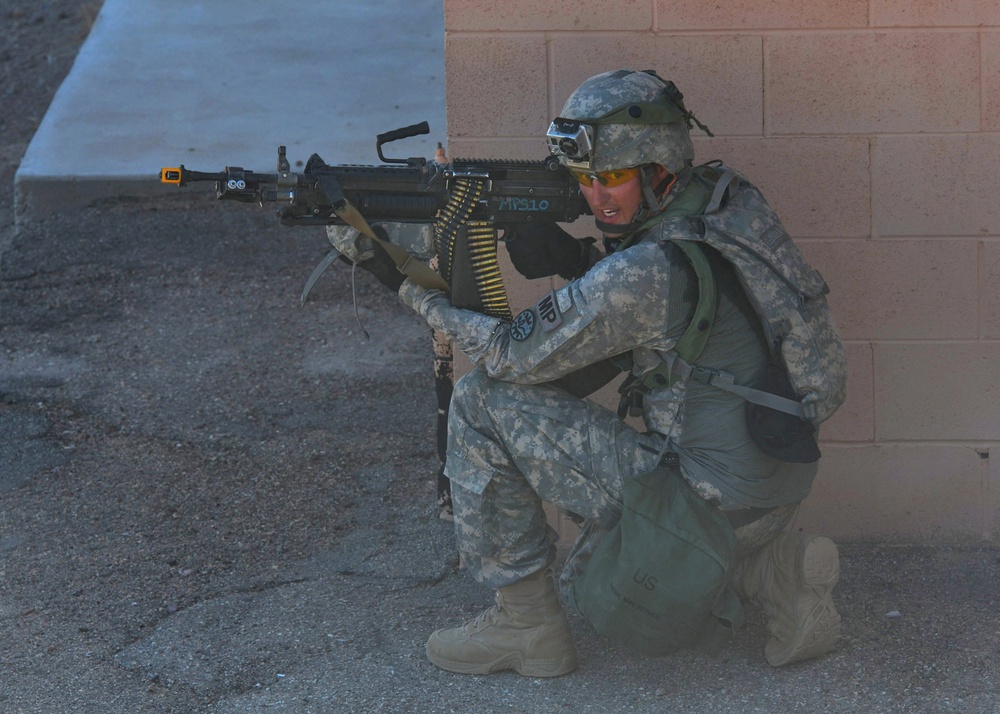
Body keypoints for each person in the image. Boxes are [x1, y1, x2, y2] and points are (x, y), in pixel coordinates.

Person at [349, 69, 841, 676]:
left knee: (481, 403)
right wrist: (579, 258)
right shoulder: (726, 202)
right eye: (584, 179)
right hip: (771, 488)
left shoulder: (645, 272)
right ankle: (770, 572)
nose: (596, 197)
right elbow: (684, 311)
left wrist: (402, 283)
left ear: (658, 168)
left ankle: (527, 628)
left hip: (700, 506)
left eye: (611, 177)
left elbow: (506, 352)